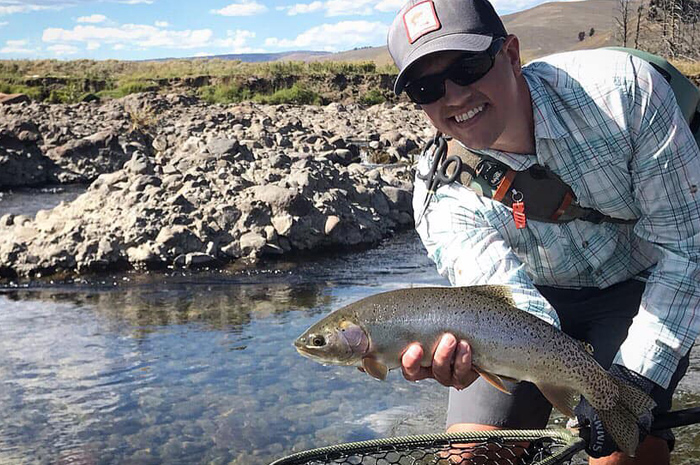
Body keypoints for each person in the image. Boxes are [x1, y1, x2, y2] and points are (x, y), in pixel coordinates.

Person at [385, 0, 700, 463]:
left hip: (639, 285)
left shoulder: (625, 96)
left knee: (622, 454)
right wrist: (572, 375)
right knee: (471, 458)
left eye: (469, 67)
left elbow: (686, 249)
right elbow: (508, 303)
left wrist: (633, 379)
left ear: (511, 55)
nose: (452, 96)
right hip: (524, 309)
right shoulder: (441, 191)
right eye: (426, 87)